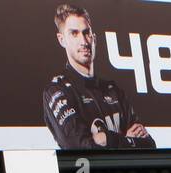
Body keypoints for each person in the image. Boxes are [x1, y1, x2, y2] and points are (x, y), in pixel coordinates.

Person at [43, 4, 155, 149]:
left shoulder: (113, 90)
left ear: (94, 38)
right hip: (86, 172)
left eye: (86, 33)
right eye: (74, 33)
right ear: (61, 39)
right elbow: (80, 148)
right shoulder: (57, 91)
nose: (83, 41)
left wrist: (106, 138)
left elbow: (149, 145)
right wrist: (126, 140)